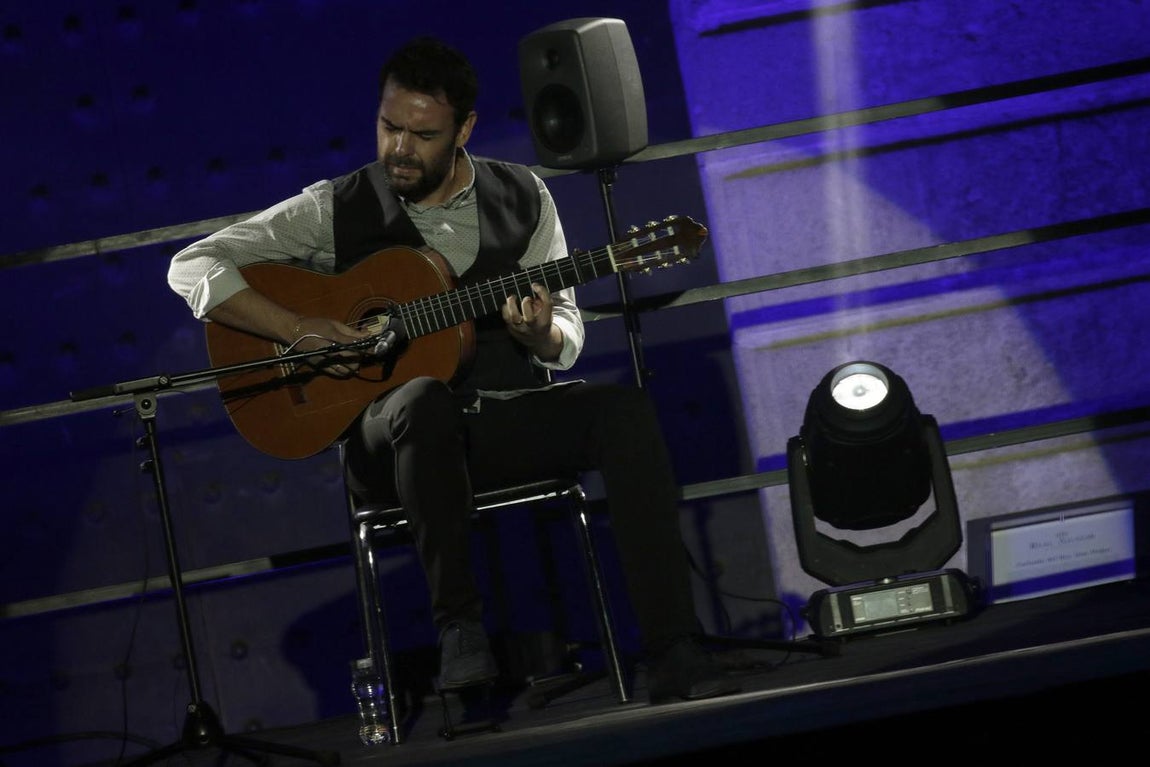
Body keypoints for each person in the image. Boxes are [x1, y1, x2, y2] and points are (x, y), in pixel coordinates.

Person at [167, 35, 739, 705]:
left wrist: (542, 332)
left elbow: (570, 333)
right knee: (420, 399)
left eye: (422, 133)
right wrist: (298, 326)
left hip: (496, 424)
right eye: (389, 126)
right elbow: (191, 266)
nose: (399, 149)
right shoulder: (334, 206)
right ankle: (461, 633)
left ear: (463, 129)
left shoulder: (521, 195)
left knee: (625, 412)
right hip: (392, 440)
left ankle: (674, 650)